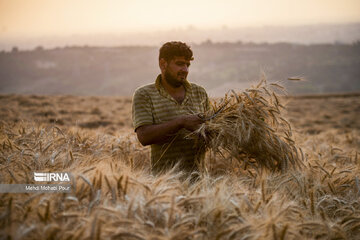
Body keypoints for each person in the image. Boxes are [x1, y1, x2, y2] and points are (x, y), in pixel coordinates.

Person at [132, 41, 210, 175]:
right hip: (164, 186)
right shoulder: (145, 94)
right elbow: (144, 137)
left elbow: (211, 133)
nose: (185, 69)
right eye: (180, 64)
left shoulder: (200, 92)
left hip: (200, 184)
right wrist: (181, 122)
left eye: (187, 65)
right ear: (163, 64)